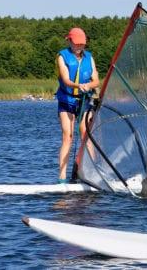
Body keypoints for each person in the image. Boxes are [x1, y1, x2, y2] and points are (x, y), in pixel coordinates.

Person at [55, 27, 99, 183]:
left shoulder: (89, 58)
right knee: (68, 136)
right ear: (70, 41)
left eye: (82, 44)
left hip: (84, 101)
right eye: (77, 44)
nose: (80, 47)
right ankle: (61, 179)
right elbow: (66, 80)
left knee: (86, 136)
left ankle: (93, 174)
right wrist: (77, 85)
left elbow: (96, 80)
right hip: (66, 100)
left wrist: (89, 86)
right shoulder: (62, 56)